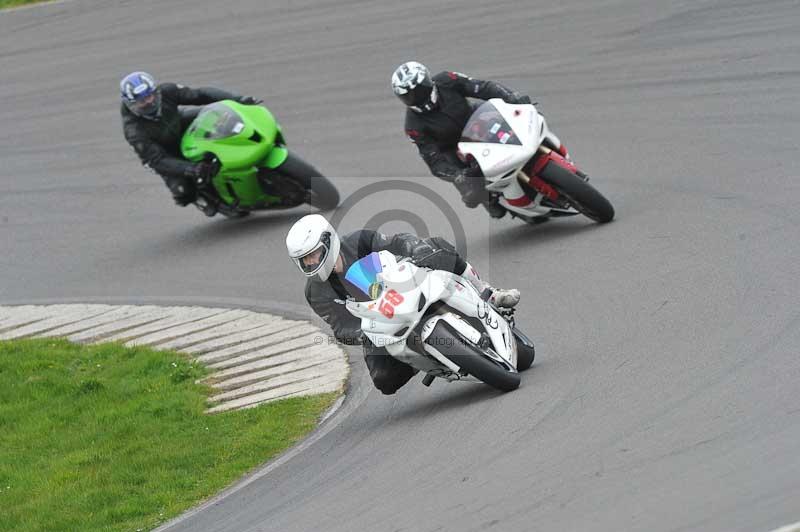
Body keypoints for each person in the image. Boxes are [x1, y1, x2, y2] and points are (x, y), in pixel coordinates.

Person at [285, 214, 520, 395]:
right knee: (384, 381)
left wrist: (414, 249)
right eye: (304, 260)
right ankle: (427, 358)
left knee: (439, 247)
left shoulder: (359, 240)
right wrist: (363, 332)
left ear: (329, 241)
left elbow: (396, 241)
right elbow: (340, 327)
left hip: (405, 286)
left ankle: (488, 293)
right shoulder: (315, 292)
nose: (311, 263)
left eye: (314, 255)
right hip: (382, 324)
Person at [391, 61, 534, 219]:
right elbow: (433, 161)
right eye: (407, 96)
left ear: (427, 82)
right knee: (475, 197)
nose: (414, 98)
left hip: (477, 120)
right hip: (452, 148)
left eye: (418, 91)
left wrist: (510, 97)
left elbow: (482, 87)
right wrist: (457, 175)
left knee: (518, 118)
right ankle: (491, 200)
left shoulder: (447, 80)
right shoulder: (413, 126)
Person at [120, 71, 263, 206]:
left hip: (178, 123)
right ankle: (205, 199)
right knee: (183, 193)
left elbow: (200, 94)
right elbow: (157, 160)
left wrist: (239, 100)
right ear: (130, 104)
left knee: (217, 115)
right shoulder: (134, 131)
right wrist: (191, 168)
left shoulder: (167, 91)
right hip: (166, 152)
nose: (149, 102)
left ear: (156, 92)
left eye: (150, 96)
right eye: (141, 101)